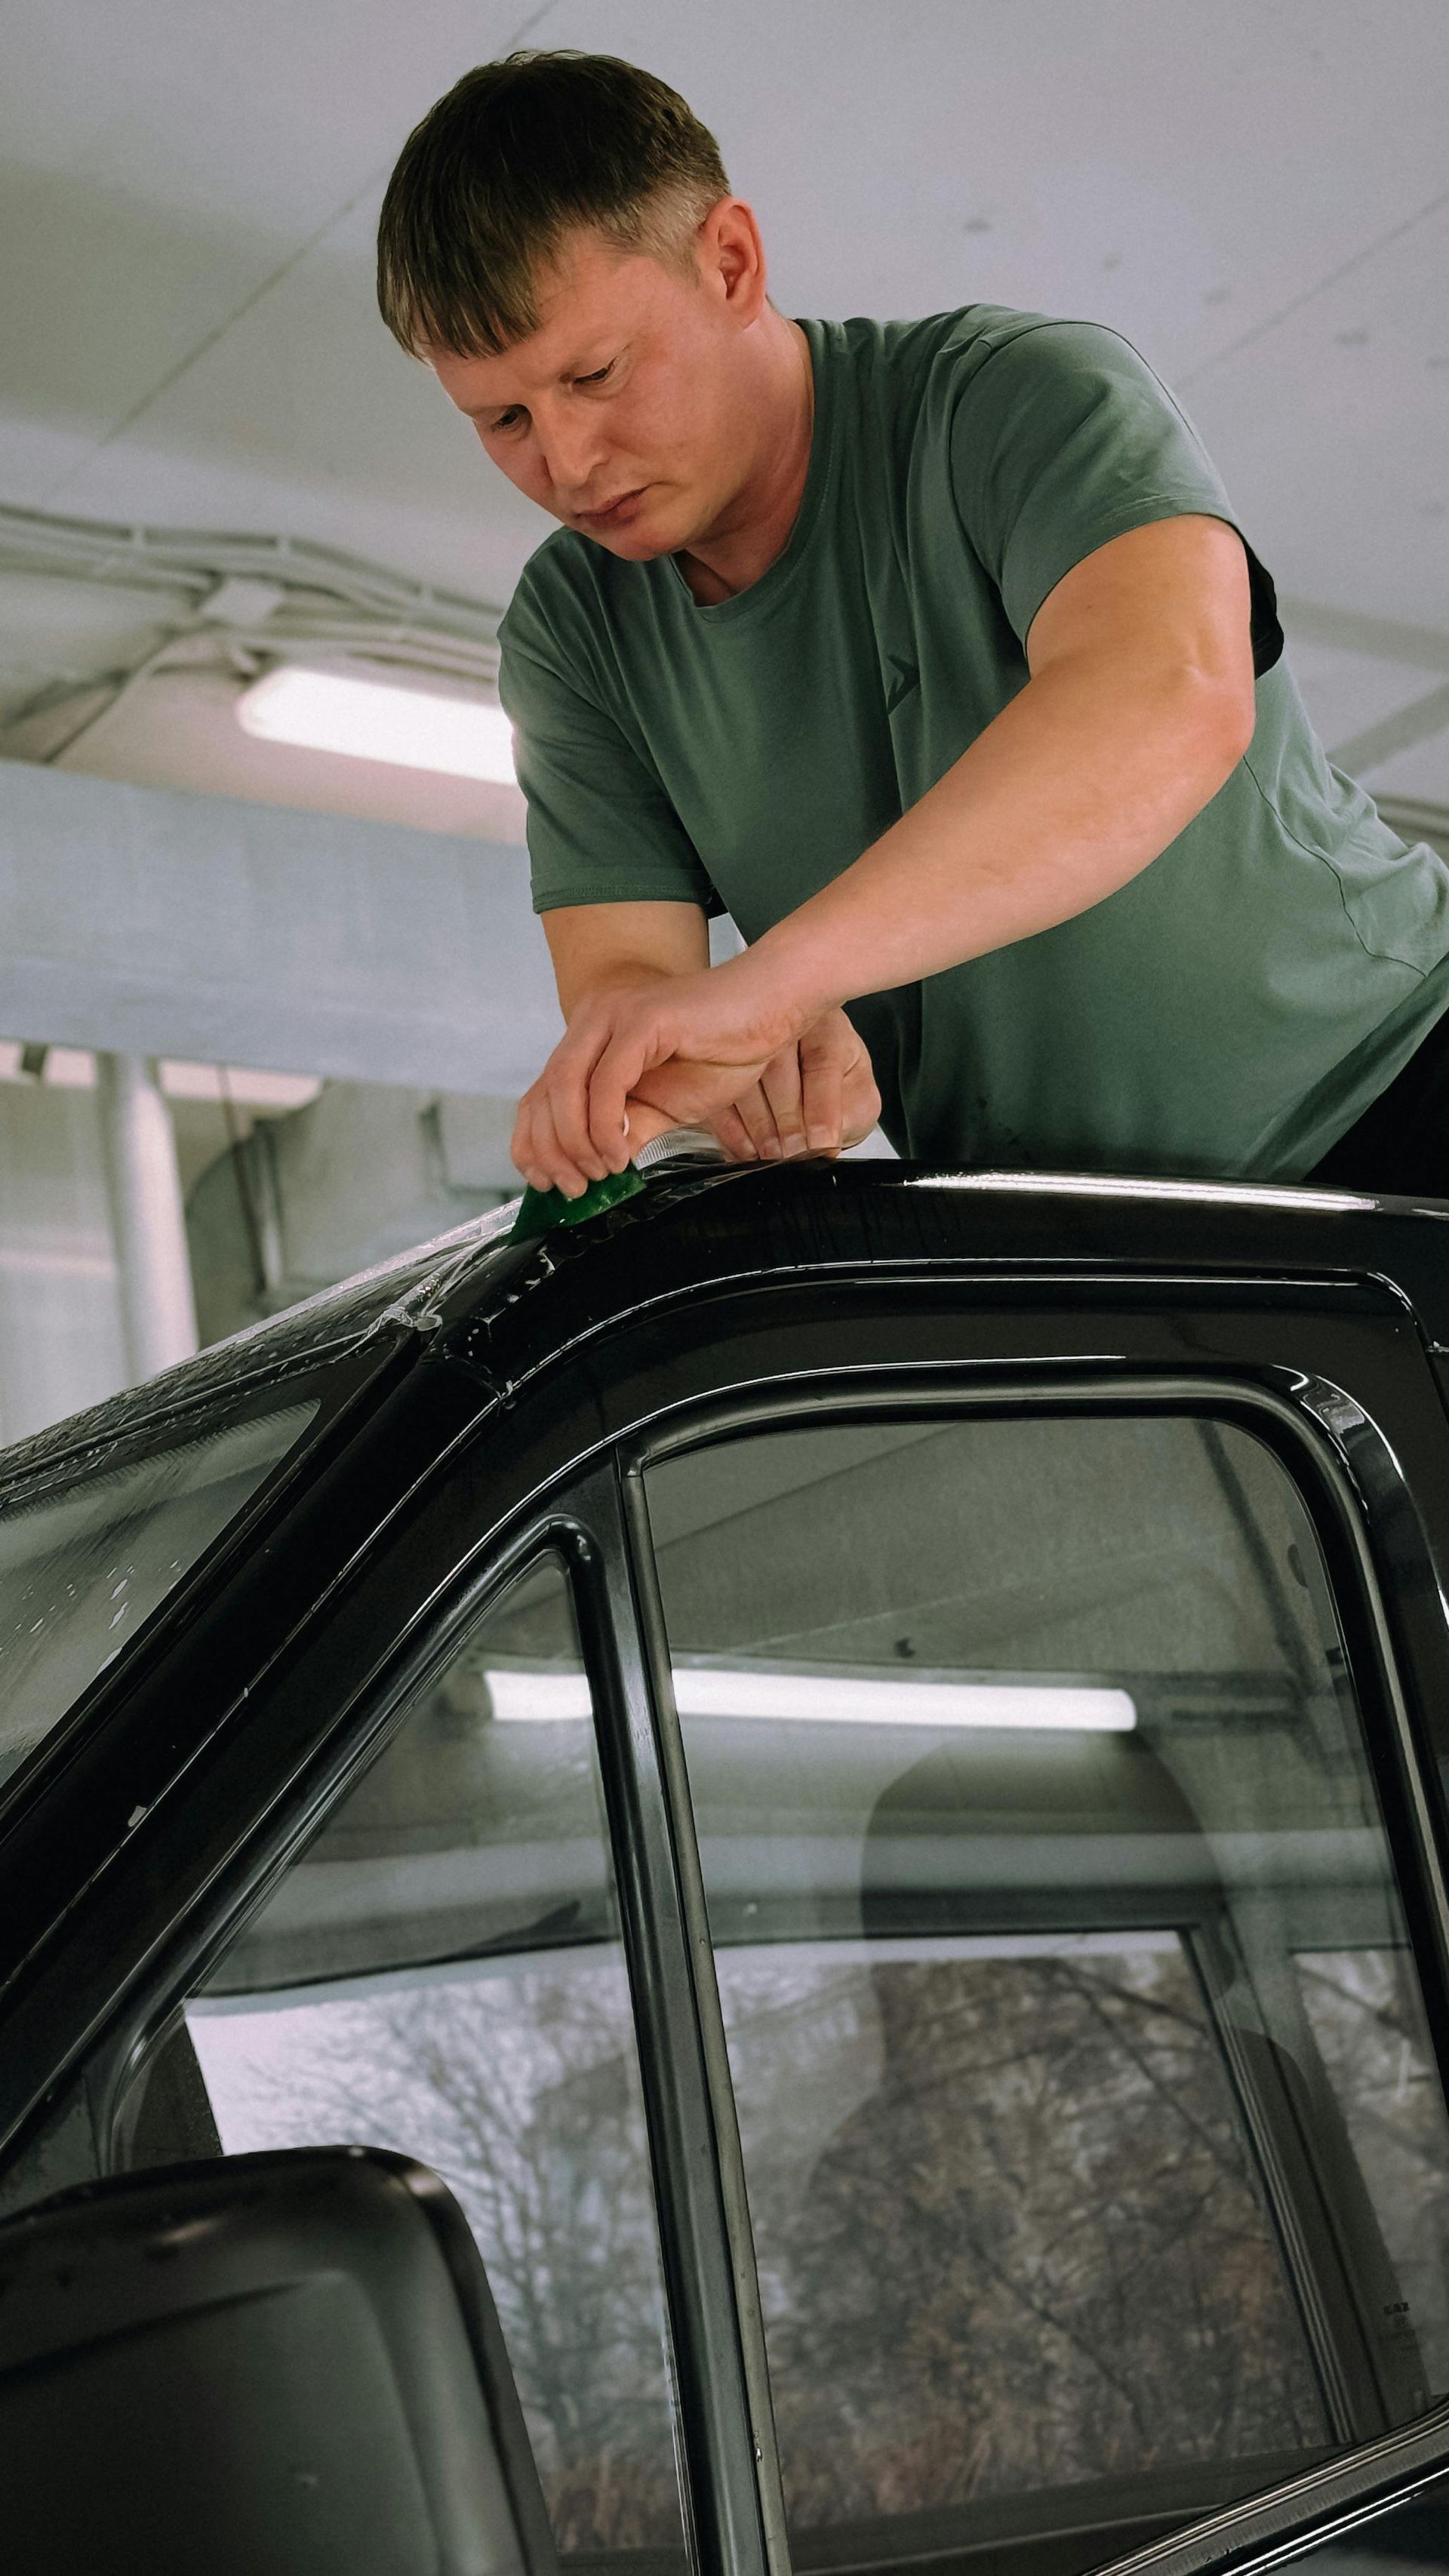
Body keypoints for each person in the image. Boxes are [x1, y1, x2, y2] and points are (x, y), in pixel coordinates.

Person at [377, 49, 1449, 1201]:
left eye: (595, 373)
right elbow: (633, 995)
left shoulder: (1017, 395)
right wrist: (748, 1060)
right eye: (504, 419)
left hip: (1397, 1095)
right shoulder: (572, 629)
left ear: (730, 263)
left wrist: (776, 984)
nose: (569, 462)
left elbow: (1172, 698)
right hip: (1088, 1255)